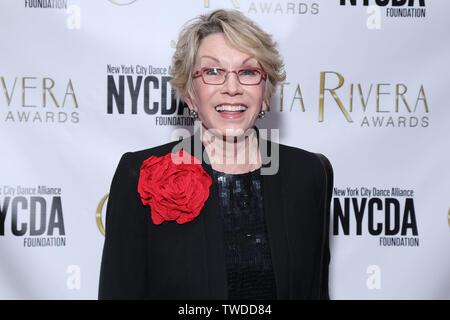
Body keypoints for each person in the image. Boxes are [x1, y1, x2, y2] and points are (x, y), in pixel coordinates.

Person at [98, 9, 333, 300]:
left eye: (248, 72)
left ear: (266, 91)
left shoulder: (308, 174)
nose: (231, 88)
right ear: (189, 93)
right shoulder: (140, 173)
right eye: (212, 72)